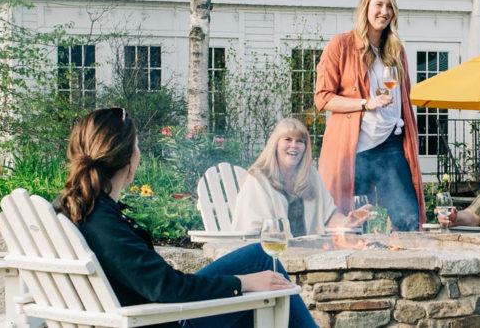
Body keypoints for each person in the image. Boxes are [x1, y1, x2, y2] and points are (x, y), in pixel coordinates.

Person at [55, 108, 317, 328]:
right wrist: (244, 283)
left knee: (260, 256)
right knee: (261, 269)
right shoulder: (102, 222)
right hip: (167, 318)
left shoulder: (76, 209)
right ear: (128, 160)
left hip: (153, 309)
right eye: (136, 147)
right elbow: (166, 288)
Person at [314, 0, 424, 231]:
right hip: (356, 147)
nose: (384, 12)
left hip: (392, 144)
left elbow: (403, 97)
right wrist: (366, 103)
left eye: (389, 7)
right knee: (354, 222)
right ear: (365, 8)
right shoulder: (340, 45)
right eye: (379, 5)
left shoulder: (396, 51)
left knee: (407, 218)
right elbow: (323, 98)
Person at [231, 117, 370, 237]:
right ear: (276, 145)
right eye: (288, 139)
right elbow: (252, 229)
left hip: (309, 253)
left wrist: (346, 223)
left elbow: (330, 215)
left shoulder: (311, 175)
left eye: (300, 141)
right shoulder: (257, 179)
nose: (294, 146)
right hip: (270, 253)